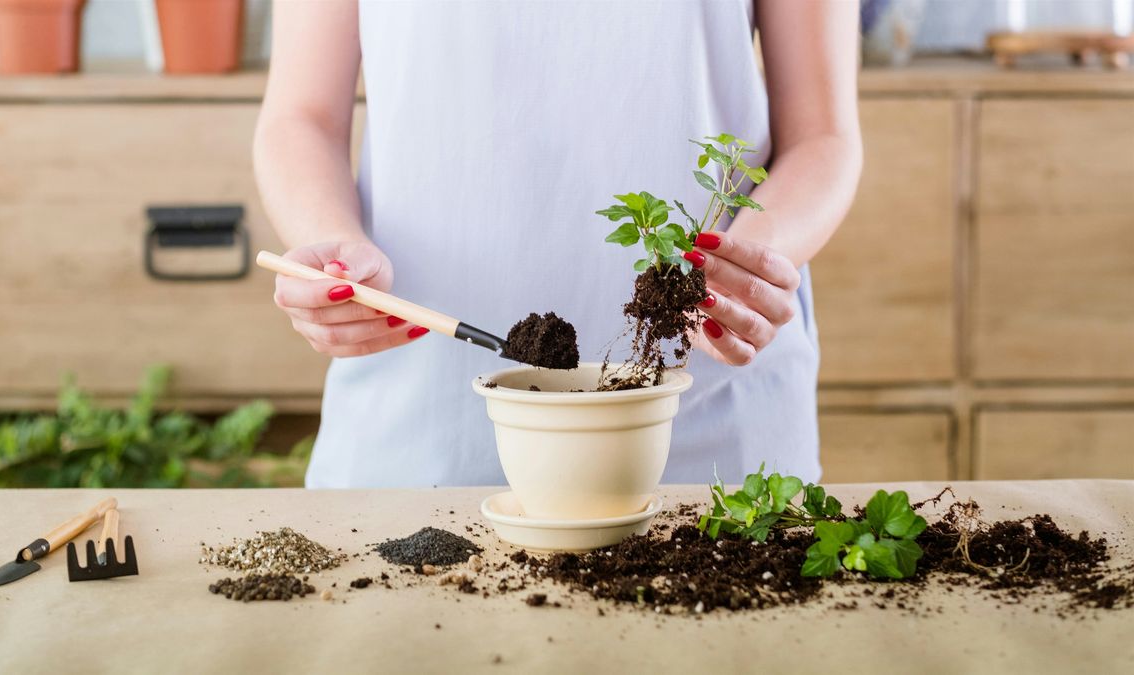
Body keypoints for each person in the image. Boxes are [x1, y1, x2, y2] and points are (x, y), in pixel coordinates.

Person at [255, 0, 862, 489]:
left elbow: (822, 135)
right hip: (417, 434)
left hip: (709, 433)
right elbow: (301, 116)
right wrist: (330, 247)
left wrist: (748, 266)